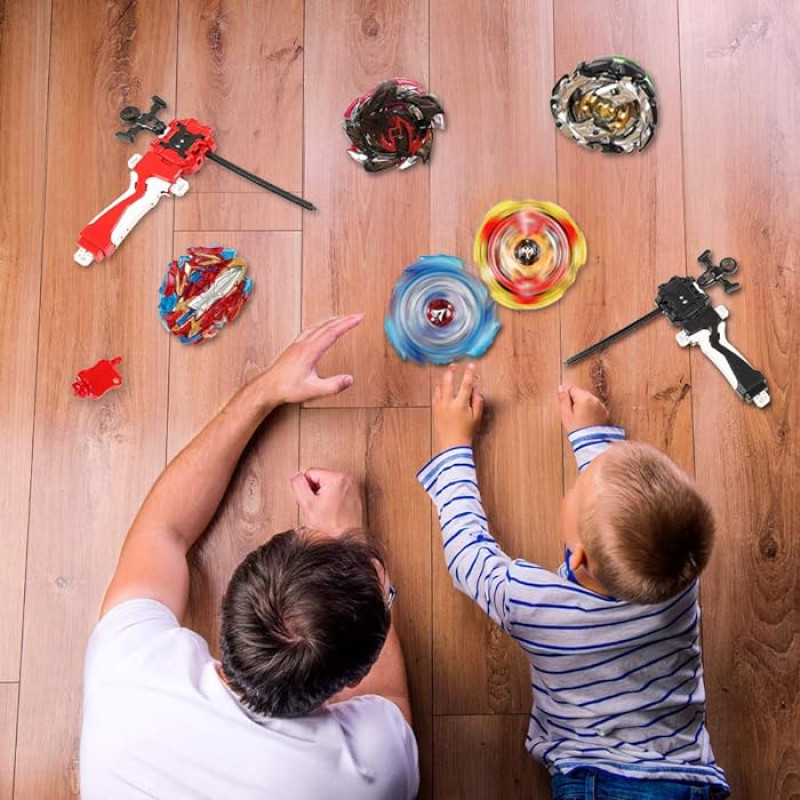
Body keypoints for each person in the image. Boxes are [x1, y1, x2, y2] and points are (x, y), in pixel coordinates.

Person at [80, 314, 419, 800]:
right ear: (356, 676)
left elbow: (163, 530)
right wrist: (350, 542)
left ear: (230, 603)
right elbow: (387, 701)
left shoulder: (128, 669)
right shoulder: (371, 775)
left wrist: (265, 390)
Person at [418, 363, 729, 799]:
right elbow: (629, 523)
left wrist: (453, 445)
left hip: (599, 783)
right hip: (687, 773)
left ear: (578, 556)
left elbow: (468, 555)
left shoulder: (535, 608)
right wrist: (593, 438)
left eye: (577, 489)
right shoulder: (679, 574)